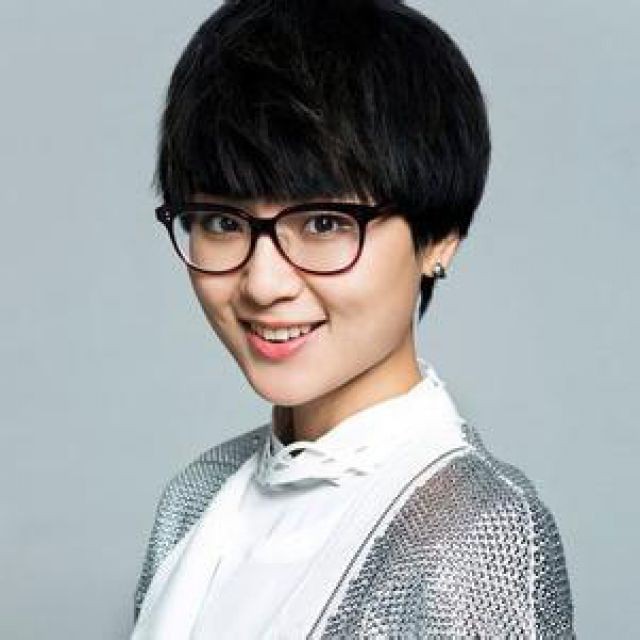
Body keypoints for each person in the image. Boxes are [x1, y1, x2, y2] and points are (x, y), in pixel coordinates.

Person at [131, 0, 575, 637]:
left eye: (323, 223)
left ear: (440, 237)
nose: (263, 283)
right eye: (223, 222)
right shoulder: (196, 496)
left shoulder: (475, 535)